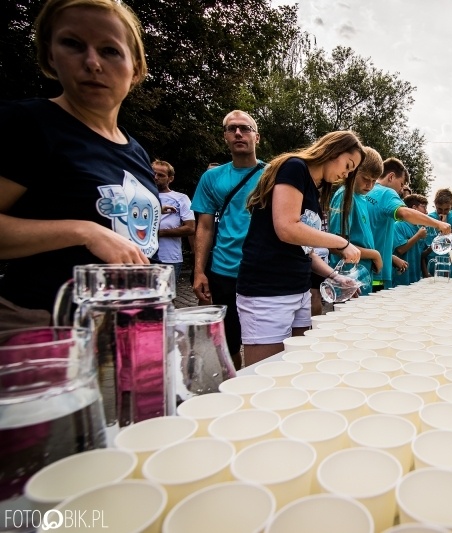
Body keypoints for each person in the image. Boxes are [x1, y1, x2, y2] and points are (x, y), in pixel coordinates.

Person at [0, 0, 157, 328]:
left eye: (109, 50)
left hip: (124, 331)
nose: (92, 62)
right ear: (50, 56)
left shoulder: (136, 151)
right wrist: (83, 231)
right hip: (44, 329)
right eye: (72, 44)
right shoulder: (29, 123)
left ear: (137, 68)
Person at [236, 131, 363, 365]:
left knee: (294, 369)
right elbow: (286, 227)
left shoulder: (314, 189)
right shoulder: (294, 168)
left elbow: (305, 249)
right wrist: (341, 243)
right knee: (264, 375)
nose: (346, 174)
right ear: (334, 151)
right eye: (348, 165)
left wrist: (336, 276)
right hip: (268, 293)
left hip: (299, 291)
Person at [191, 110, 265, 369]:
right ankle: (235, 386)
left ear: (257, 136)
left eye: (245, 128)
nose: (238, 133)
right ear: (224, 137)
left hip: (262, 271)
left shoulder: (273, 175)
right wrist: (199, 271)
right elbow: (204, 226)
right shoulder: (211, 178)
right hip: (224, 270)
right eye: (231, 129)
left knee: (266, 339)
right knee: (229, 341)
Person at [364, 158, 452, 291]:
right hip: (377, 275)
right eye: (401, 184)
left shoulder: (365, 192)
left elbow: (371, 238)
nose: (401, 190)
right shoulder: (387, 193)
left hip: (360, 269)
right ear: (391, 177)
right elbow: (405, 213)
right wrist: (438, 224)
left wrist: (391, 257)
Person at [327, 146, 384, 295]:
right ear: (353, 170)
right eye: (365, 179)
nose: (370, 185)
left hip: (363, 277)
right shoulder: (345, 197)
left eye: (374, 181)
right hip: (348, 279)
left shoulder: (362, 198)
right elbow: (336, 244)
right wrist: (374, 254)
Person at [152, 160, 194, 282]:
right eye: (153, 173)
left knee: (167, 298)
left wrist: (160, 233)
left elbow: (190, 227)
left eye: (161, 175)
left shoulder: (181, 198)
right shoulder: (140, 196)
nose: (155, 177)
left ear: (170, 178)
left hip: (169, 257)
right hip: (143, 256)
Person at [425, 189, 452, 280]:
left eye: (446, 209)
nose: (443, 212)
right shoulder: (429, 219)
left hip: (451, 267)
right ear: (435, 204)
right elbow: (425, 247)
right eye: (439, 209)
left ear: (451, 205)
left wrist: (448, 231)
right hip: (433, 266)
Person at [393, 194, 429, 286]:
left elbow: (421, 254)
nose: (427, 211)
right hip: (400, 280)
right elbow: (400, 250)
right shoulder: (398, 225)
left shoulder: (419, 228)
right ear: (414, 208)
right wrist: (418, 236)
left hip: (415, 279)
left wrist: (435, 245)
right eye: (424, 207)